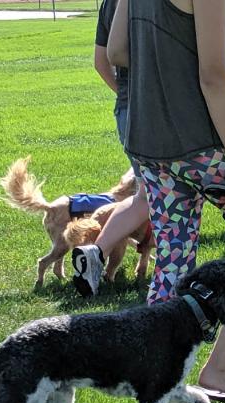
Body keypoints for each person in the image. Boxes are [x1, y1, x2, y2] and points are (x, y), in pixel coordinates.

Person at [98, 0, 225, 403]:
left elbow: (116, 53)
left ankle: (158, 378)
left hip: (148, 143)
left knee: (172, 263)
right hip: (202, 144)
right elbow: (214, 75)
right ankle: (220, 367)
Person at [86, 0, 151, 297]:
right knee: (168, 197)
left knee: (145, 196)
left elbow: (102, 62)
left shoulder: (110, 3)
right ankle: (171, 278)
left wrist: (126, 95)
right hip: (159, 111)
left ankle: (95, 255)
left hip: (125, 109)